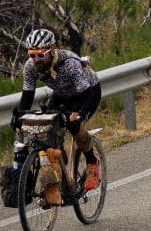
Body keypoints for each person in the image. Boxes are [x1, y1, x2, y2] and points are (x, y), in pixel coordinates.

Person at [10, 28, 101, 191]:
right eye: (32, 55)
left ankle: (92, 163)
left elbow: (87, 96)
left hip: (87, 93)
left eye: (40, 55)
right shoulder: (30, 67)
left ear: (52, 49)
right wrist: (19, 116)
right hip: (62, 94)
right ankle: (59, 178)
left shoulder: (69, 64)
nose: (35, 60)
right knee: (46, 128)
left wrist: (79, 117)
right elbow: (27, 95)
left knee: (76, 128)